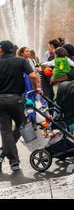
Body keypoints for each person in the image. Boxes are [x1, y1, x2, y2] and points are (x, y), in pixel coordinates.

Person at [0, 40, 42, 172]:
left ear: (1, 50)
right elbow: (33, 76)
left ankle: (13, 161)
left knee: (5, 131)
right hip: (17, 99)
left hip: (0, 100)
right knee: (24, 125)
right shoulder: (21, 61)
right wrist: (36, 88)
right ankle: (5, 153)